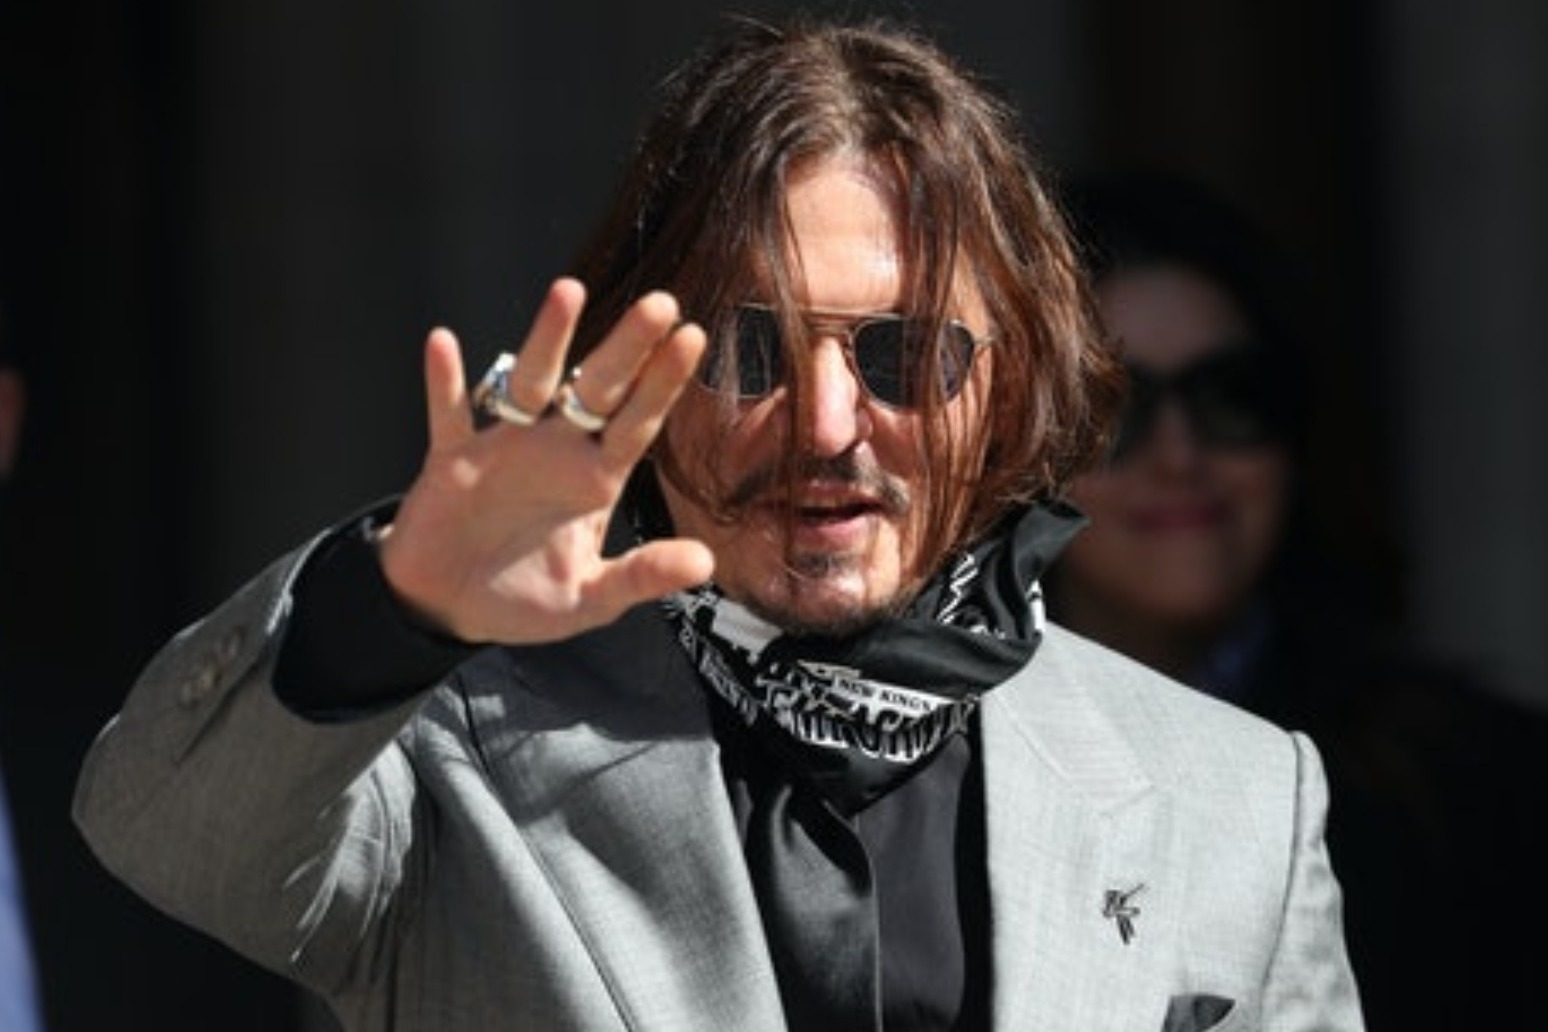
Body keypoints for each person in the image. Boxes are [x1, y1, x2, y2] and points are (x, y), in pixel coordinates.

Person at [73, 17, 1364, 1031]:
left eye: (901, 354)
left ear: (1009, 388)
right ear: (641, 371)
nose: (827, 424)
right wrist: (392, 604)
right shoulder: (453, 749)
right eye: (751, 351)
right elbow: (168, 838)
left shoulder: (1233, 795)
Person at [1052, 174, 1548, 1030]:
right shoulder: (915, 790)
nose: (1179, 455)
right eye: (1111, 410)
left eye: (1232, 397)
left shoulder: (1486, 792)